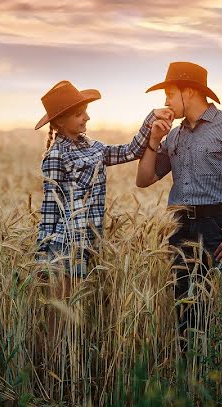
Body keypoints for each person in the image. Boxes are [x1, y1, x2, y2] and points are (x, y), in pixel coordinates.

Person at [135, 62, 222, 359]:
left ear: (189, 91)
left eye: (170, 95)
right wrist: (154, 141)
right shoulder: (175, 136)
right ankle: (194, 388)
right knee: (187, 315)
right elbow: (144, 179)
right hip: (181, 229)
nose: (165, 103)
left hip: (221, 228)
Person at [35, 80, 172, 297]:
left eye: (85, 112)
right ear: (61, 121)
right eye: (79, 114)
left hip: (89, 240)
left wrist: (152, 117)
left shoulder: (95, 148)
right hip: (66, 243)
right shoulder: (55, 156)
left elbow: (131, 151)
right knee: (60, 316)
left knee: (75, 313)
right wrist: (42, 254)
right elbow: (50, 209)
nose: (86, 117)